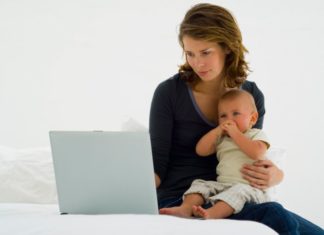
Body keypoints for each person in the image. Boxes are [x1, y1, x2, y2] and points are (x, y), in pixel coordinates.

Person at [149, 3, 324, 235]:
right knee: (277, 217)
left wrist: (276, 175)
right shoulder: (169, 93)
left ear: (228, 48)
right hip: (181, 199)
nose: (197, 63)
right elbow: (156, 168)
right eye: (190, 53)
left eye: (206, 52)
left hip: (233, 197)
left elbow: (249, 152)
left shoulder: (251, 96)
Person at [160, 89, 270, 219]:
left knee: (237, 193)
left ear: (253, 118)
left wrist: (235, 133)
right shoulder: (223, 138)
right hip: (223, 185)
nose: (229, 120)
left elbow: (257, 153)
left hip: (249, 189)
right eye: (223, 116)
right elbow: (201, 150)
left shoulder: (255, 134)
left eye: (236, 113)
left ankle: (212, 214)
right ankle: (185, 209)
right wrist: (218, 130)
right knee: (200, 185)